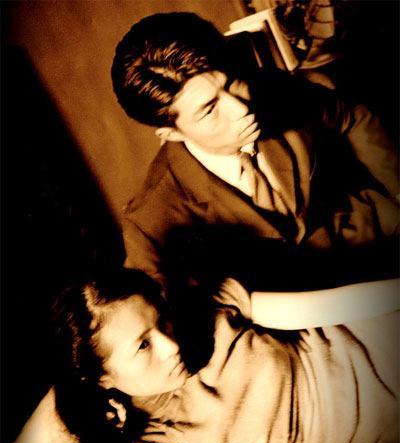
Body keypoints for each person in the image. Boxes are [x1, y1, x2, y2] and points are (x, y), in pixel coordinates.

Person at [2, 268, 398, 443]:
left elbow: (331, 307)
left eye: (161, 323)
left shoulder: (207, 309)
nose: (170, 345)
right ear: (102, 378)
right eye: (143, 346)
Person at [111, 12, 399, 286]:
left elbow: (348, 114)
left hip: (375, 242)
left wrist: (395, 190)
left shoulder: (275, 92)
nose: (240, 109)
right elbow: (152, 311)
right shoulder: (150, 221)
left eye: (231, 84)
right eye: (209, 110)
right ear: (172, 133)